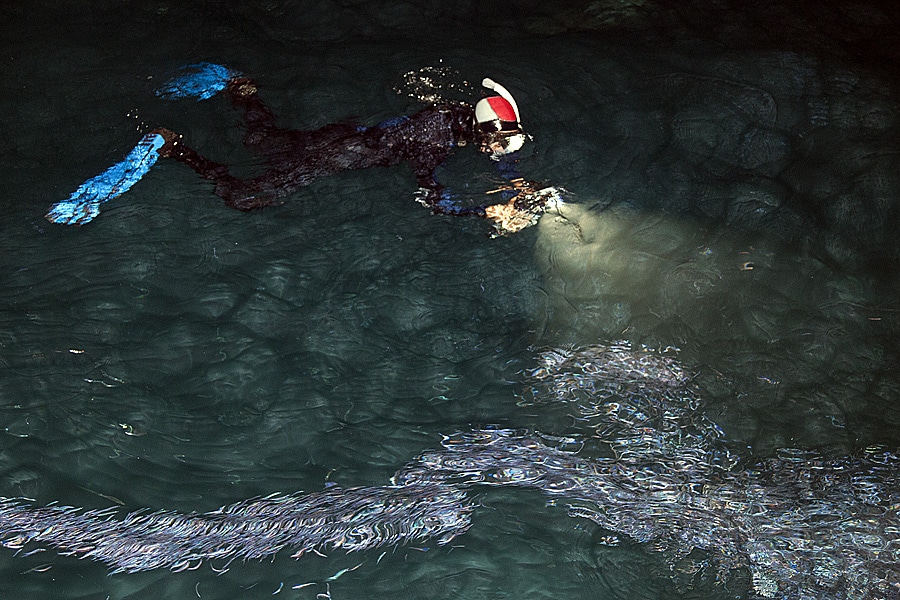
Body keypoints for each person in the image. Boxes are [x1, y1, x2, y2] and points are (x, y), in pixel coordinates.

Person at [46, 63, 562, 235]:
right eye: (498, 141)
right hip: (338, 156)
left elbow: (486, 151)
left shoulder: (453, 114)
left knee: (262, 141)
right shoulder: (435, 139)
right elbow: (431, 196)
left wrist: (515, 180)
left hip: (345, 137)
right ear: (481, 129)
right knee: (247, 198)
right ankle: (173, 147)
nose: (499, 149)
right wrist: (484, 211)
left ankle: (242, 88)